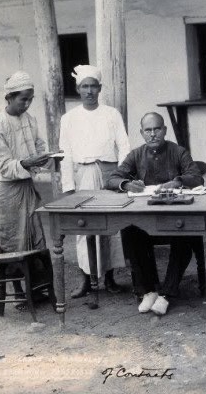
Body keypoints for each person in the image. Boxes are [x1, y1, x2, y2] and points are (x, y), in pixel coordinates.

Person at [106, 112, 204, 315]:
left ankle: (167, 294)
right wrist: (126, 184)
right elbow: (112, 178)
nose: (152, 134)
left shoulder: (178, 152)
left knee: (186, 234)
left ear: (164, 130)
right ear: (142, 133)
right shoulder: (136, 154)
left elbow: (196, 177)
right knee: (130, 231)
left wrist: (179, 181)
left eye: (157, 129)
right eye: (148, 130)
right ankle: (148, 290)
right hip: (147, 220)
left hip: (174, 216)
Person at [59, 64, 130, 298]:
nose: (89, 91)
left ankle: (110, 278)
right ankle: (86, 280)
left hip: (109, 174)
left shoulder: (112, 114)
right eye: (84, 86)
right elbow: (65, 153)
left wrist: (121, 175)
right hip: (84, 174)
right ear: (78, 89)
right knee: (84, 226)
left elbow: (124, 146)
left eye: (93, 86)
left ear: (100, 89)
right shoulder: (69, 118)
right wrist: (69, 186)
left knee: (110, 225)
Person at [0, 71, 52, 301]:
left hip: (26, 185)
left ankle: (36, 288)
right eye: (23, 99)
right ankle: (18, 291)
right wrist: (26, 162)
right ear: (10, 98)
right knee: (14, 239)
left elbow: (38, 145)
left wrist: (46, 156)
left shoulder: (29, 120)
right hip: (7, 190)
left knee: (34, 234)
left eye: (30, 99)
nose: (27, 103)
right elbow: (3, 165)